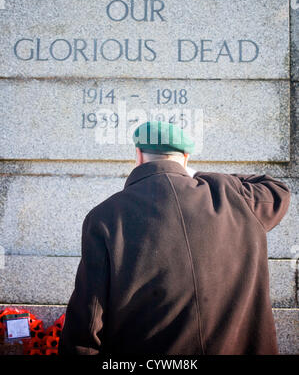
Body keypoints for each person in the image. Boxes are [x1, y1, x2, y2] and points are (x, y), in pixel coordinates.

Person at [58, 121, 290, 355]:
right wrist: (194, 175)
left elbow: (88, 322)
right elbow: (276, 188)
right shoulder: (236, 198)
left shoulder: (105, 217)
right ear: (187, 157)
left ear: (138, 155)